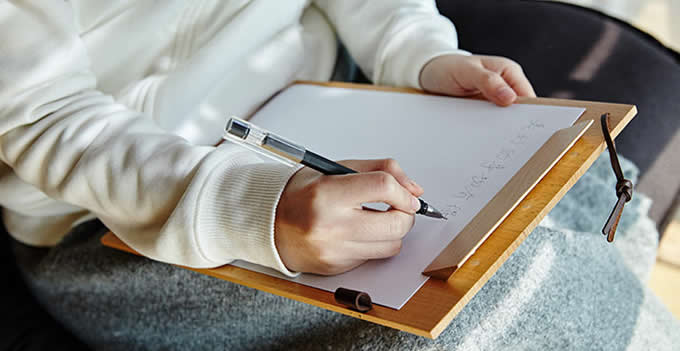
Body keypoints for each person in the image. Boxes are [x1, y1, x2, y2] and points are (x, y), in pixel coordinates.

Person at [3, 1, 679, 350]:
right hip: (122, 211)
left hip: (329, 103)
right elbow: (40, 112)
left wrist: (420, 54)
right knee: (504, 294)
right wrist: (250, 209)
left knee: (572, 179)